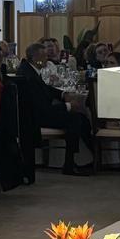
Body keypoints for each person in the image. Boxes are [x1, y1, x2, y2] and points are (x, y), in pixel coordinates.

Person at [18, 43, 93, 176]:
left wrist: (63, 94)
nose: (47, 59)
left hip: (40, 112)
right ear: (36, 58)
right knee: (74, 119)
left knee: (81, 119)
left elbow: (45, 89)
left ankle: (92, 156)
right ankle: (69, 164)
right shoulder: (29, 76)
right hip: (36, 117)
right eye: (44, 56)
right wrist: (68, 106)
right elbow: (42, 107)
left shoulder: (30, 69)